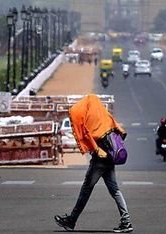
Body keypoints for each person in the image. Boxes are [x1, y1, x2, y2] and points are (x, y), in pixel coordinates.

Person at [54, 94, 133, 233]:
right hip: (110, 157)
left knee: (86, 189)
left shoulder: (89, 120)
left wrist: (96, 149)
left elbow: (87, 135)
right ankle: (126, 221)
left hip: (100, 159)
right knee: (114, 190)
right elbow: (116, 127)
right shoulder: (104, 115)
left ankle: (71, 221)